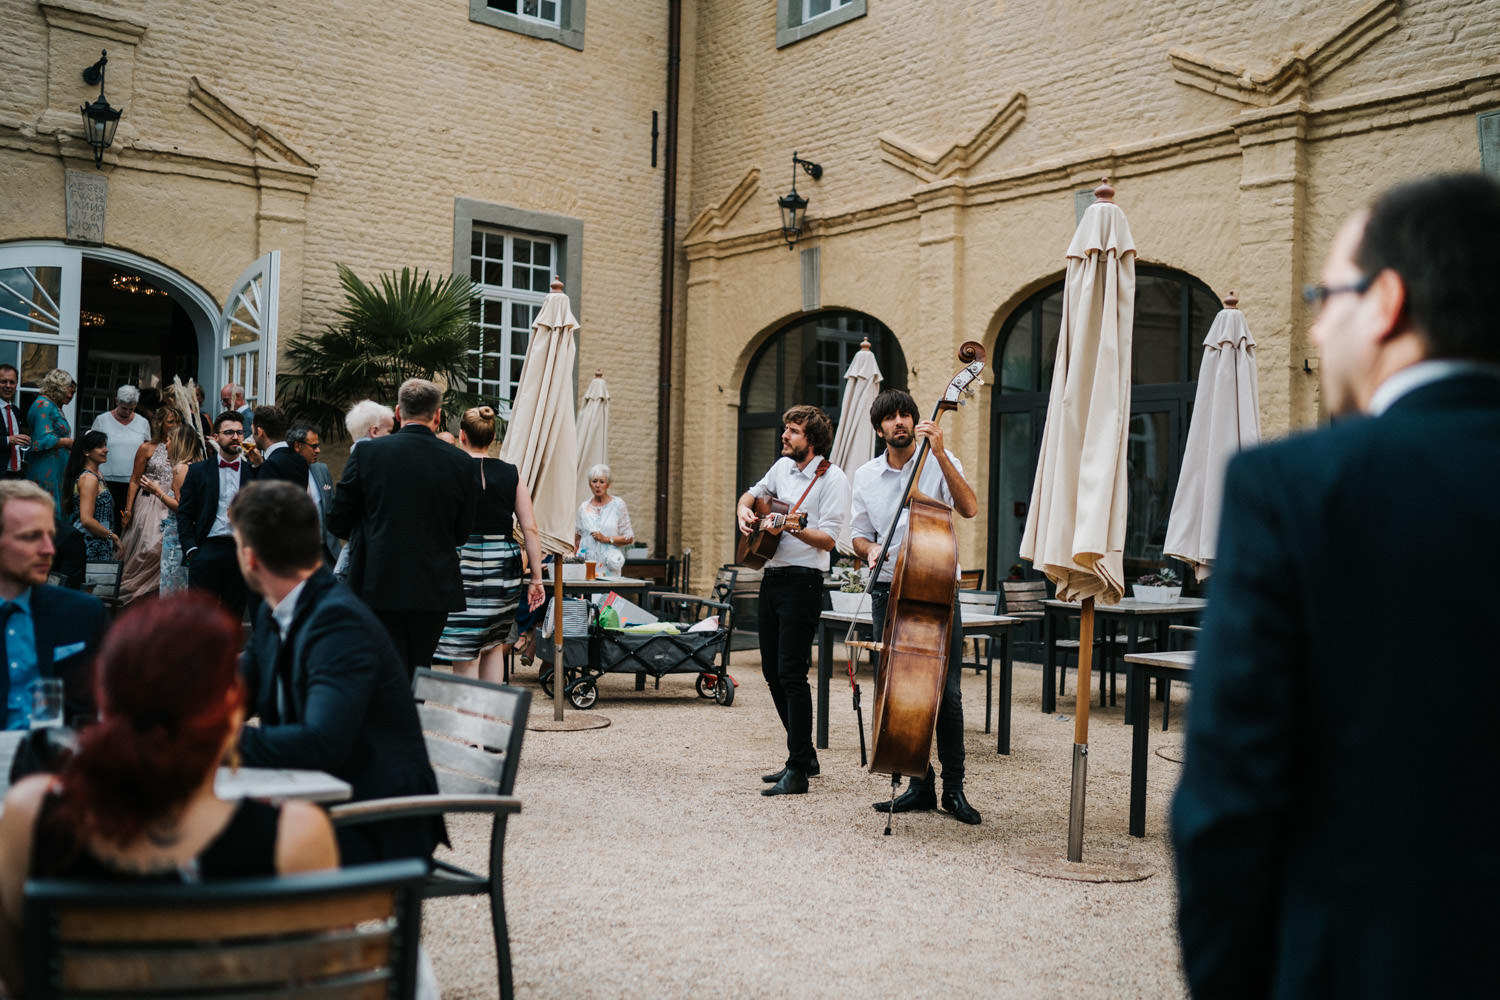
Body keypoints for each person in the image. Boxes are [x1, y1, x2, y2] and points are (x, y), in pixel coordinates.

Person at [1171, 173, 1500, 999]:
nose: (1318, 323)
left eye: (1327, 293)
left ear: (1387, 301)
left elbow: (1226, 809)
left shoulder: (1294, 488)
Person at [0, 592, 339, 996]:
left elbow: (18, 977)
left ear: (105, 702)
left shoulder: (30, 811)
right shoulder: (296, 834)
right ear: (232, 712)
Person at [231, 481, 445, 864]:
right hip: (316, 798)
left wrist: (216, 743)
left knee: (206, 843)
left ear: (249, 559)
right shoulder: (275, 607)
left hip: (377, 820)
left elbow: (321, 743)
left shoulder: (338, 623)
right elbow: (236, 692)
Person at [850, 389, 981, 825]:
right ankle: (917, 784)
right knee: (901, 690)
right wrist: (868, 550)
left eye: (906, 414)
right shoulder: (866, 476)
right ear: (879, 428)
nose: (900, 421)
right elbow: (858, 535)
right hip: (887, 592)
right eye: (891, 417)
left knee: (946, 693)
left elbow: (968, 508)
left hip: (937, 594)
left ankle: (955, 789)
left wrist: (941, 454)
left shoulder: (942, 460)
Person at [735, 404, 850, 796]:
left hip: (804, 581)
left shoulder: (833, 479)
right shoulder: (781, 469)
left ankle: (798, 768)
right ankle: (805, 755)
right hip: (771, 576)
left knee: (792, 674)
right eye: (786, 428)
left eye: (793, 430)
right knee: (770, 672)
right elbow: (750, 496)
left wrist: (792, 528)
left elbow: (830, 539)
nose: (784, 435)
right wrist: (744, 515)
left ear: (812, 440)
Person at [326, 379, 477, 675]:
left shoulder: (368, 454)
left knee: (381, 668)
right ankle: (410, 718)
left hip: (377, 581)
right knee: (419, 670)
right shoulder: (460, 462)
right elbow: (462, 533)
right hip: (433, 587)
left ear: (398, 412)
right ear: (437, 415)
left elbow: (337, 520)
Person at [434, 406, 546, 682]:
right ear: (494, 437)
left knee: (465, 647)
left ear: (461, 435)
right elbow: (530, 528)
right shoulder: (511, 473)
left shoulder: (448, 470)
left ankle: (469, 720)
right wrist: (537, 578)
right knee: (495, 645)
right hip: (503, 566)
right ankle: (489, 719)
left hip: (461, 563)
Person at [0, 480, 105, 730]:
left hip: (59, 757)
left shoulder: (83, 614)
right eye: (31, 537)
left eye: (50, 535)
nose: (49, 549)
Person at [176, 412, 257, 619]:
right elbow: (184, 513)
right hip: (206, 548)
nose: (236, 437)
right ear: (216, 436)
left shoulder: (253, 472)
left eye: (240, 432)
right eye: (229, 432)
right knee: (200, 613)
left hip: (240, 550)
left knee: (234, 612)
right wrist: (192, 549)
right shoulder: (198, 471)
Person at [116, 404, 183, 604]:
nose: (175, 426)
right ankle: (132, 591)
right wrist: (127, 510)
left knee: (165, 548)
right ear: (160, 424)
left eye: (178, 422)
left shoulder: (183, 449)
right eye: (171, 422)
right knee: (147, 548)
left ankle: (157, 595)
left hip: (171, 501)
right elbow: (135, 479)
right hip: (148, 503)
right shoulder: (147, 448)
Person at [89, 386, 152, 532]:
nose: (128, 412)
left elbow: (147, 450)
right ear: (116, 401)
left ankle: (122, 549)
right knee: (107, 517)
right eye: (124, 408)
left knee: (126, 517)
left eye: (131, 409)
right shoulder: (102, 420)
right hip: (106, 480)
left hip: (132, 482)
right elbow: (92, 448)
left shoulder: (143, 422)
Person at [62, 430, 118, 563]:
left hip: (100, 540)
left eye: (105, 445)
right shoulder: (89, 479)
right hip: (89, 543)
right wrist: (113, 536)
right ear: (86, 452)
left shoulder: (98, 475)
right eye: (100, 446)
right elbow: (86, 520)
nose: (106, 450)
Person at [160, 424, 203, 593]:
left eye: (169, 440)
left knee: (175, 583)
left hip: (177, 536)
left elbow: (182, 507)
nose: (166, 444)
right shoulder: (196, 466)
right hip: (184, 534)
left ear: (178, 442)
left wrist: (158, 493)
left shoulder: (181, 469)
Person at [289, 423, 340, 566]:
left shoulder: (321, 469)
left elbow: (332, 507)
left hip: (326, 552)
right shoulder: (285, 471)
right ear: (298, 446)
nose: (318, 450)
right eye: (313, 446)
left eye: (318, 446)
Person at [24, 368, 75, 509]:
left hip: (56, 467)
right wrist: (69, 442)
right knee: (46, 508)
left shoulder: (53, 405)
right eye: (68, 390)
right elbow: (42, 439)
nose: (71, 395)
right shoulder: (44, 405)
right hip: (45, 466)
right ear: (58, 387)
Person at [574, 463, 634, 576]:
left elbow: (629, 537)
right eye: (594, 481)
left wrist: (606, 539)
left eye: (602, 482)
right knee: (587, 593)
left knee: (608, 593)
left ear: (608, 484)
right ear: (589, 484)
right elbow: (577, 540)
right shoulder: (583, 508)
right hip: (586, 567)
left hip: (609, 566)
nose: (597, 485)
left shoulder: (618, 505)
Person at [250, 404, 308, 489]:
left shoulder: (271, 465)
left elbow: (262, 498)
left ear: (259, 432)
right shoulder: (300, 459)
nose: (252, 437)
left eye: (253, 432)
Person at [0, 365, 32, 481]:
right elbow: (11, 439)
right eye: (4, 382)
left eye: (12, 382)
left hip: (16, 474)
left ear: (16, 384)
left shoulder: (15, 410)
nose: (8, 386)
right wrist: (9, 440)